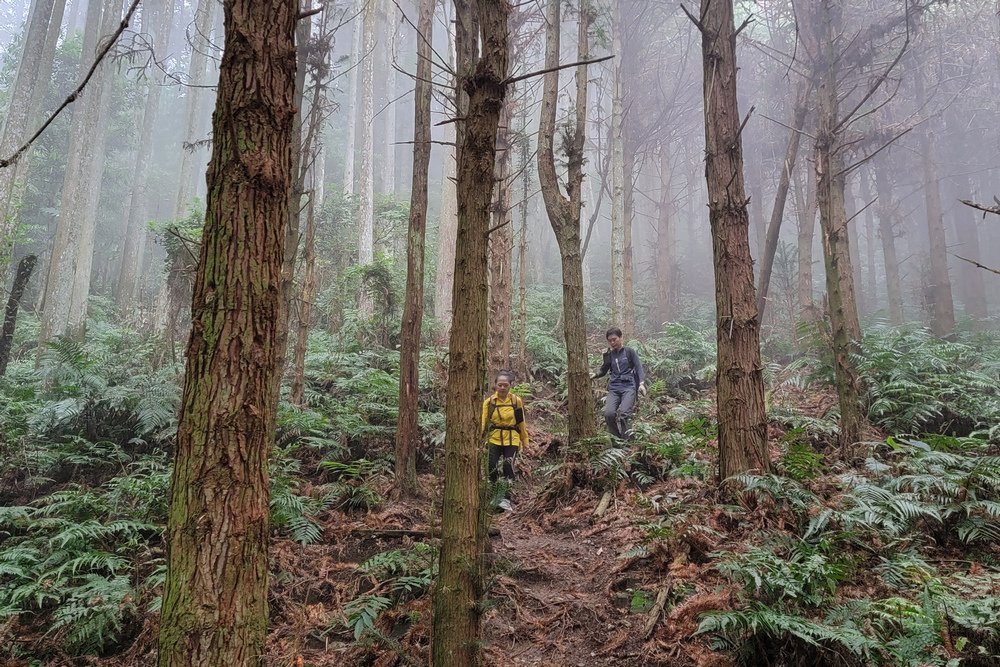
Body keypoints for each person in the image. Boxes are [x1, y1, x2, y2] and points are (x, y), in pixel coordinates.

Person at [482, 370, 528, 511]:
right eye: (500, 385)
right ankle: (496, 495)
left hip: (512, 439)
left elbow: (521, 422)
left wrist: (525, 440)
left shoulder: (516, 401)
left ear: (510, 386)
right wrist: (480, 438)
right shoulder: (489, 402)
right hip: (494, 438)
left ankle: (506, 498)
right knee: (491, 467)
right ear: (495, 385)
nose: (502, 387)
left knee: (508, 467)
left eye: (505, 385)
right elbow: (483, 421)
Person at [591, 327, 646, 440]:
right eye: (610, 340)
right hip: (614, 388)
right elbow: (604, 369)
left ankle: (628, 441)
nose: (612, 342)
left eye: (614, 339)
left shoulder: (629, 352)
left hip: (629, 387)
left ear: (621, 338)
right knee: (609, 414)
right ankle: (617, 440)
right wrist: (595, 375)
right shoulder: (609, 355)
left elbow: (638, 367)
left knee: (624, 414)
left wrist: (641, 383)